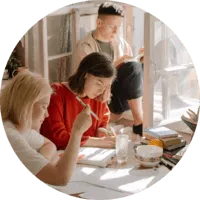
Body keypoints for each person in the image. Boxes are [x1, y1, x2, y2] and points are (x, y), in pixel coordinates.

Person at [0, 71, 93, 186]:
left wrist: (42, 163)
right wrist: (77, 131)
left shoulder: (20, 129)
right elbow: (61, 178)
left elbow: (49, 145)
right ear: (26, 105)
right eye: (44, 107)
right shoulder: (10, 136)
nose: (47, 114)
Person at [73, 2, 144, 136]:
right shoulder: (85, 48)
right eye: (112, 26)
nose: (116, 31)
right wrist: (119, 61)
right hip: (103, 99)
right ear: (99, 23)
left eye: (118, 27)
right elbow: (90, 85)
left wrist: (140, 59)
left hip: (121, 96)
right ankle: (139, 123)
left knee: (143, 63)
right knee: (133, 67)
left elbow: (130, 73)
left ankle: (141, 119)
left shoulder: (120, 43)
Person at [40, 52, 116, 150]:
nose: (101, 90)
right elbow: (56, 137)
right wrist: (98, 142)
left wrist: (101, 131)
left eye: (106, 86)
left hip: (87, 156)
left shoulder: (98, 97)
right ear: (85, 74)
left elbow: (102, 123)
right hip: (60, 156)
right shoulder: (56, 93)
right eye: (98, 83)